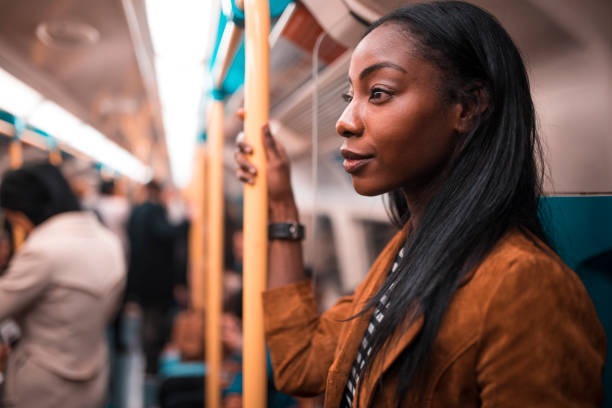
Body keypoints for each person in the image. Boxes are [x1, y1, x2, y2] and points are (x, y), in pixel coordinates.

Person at [234, 2, 606, 407]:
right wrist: (283, 205)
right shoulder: (407, 256)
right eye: (349, 95)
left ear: (467, 108)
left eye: (378, 93)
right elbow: (300, 363)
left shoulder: (527, 288)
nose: (344, 120)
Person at [0, 162, 125, 407]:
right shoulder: (109, 242)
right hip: (93, 379)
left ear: (27, 210)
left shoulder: (44, 250)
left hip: (42, 388)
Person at [126, 180, 183, 375]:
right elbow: (165, 234)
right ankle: (152, 363)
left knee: (147, 320)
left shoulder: (135, 211)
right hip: (157, 278)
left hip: (140, 276)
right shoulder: (155, 211)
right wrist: (186, 223)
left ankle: (147, 360)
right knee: (155, 323)